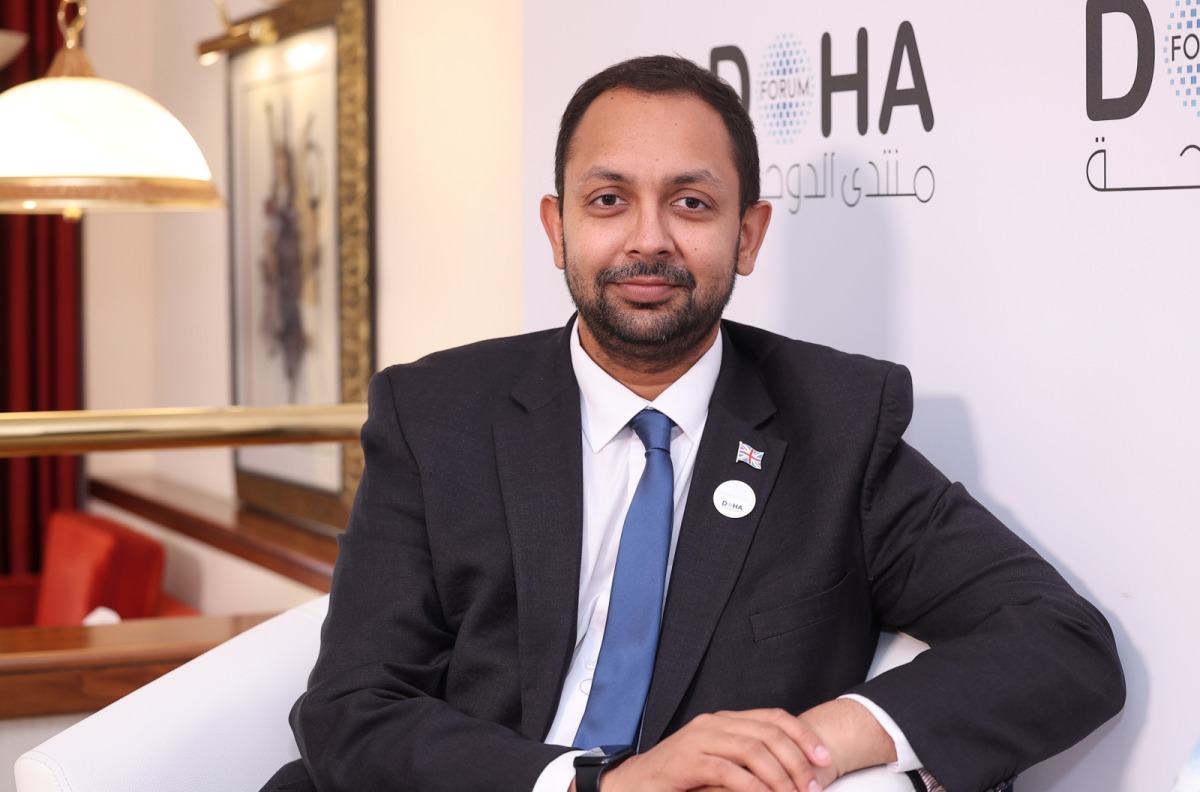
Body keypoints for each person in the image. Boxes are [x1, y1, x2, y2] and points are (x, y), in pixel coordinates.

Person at [262, 55, 1124, 792]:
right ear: (557, 229)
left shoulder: (838, 425)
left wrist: (809, 746)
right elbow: (351, 707)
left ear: (748, 236)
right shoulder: (435, 413)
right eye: (608, 201)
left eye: (692, 204)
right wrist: (600, 783)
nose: (649, 240)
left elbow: (1062, 642)